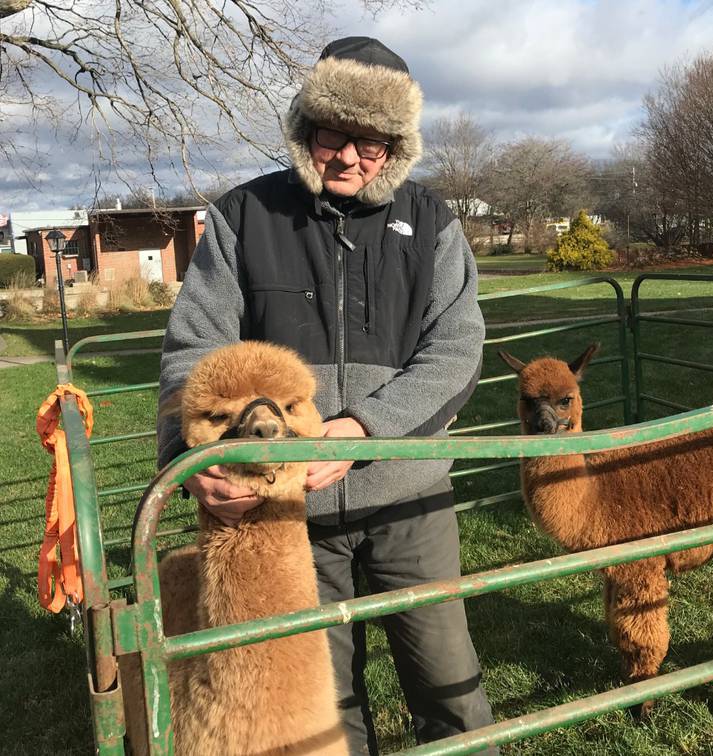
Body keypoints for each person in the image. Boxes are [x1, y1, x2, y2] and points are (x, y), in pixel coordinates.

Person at [157, 36, 494, 754]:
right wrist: (193, 468)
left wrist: (364, 427)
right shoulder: (243, 218)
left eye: (369, 142)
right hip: (287, 510)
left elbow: (457, 351)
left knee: (448, 683)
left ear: (397, 146)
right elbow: (194, 353)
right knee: (322, 705)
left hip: (409, 498)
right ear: (305, 128)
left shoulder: (433, 223)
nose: (346, 156)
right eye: (330, 133)